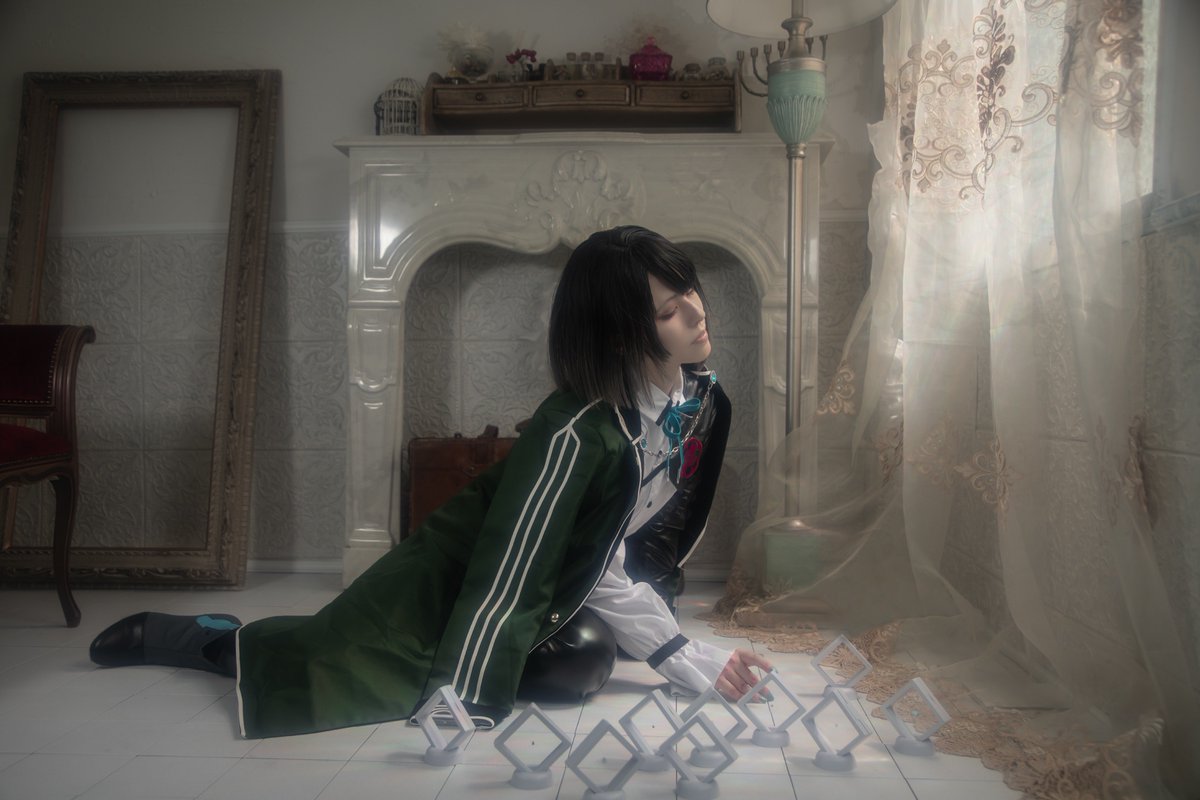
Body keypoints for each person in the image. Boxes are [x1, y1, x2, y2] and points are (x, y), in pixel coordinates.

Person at [90, 225, 773, 738]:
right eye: (668, 310)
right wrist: (676, 652)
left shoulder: (701, 402)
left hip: (559, 584)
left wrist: (675, 637)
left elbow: (634, 537)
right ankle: (211, 640)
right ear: (620, 336)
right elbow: (515, 565)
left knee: (586, 656)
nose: (697, 313)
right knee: (333, 662)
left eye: (689, 291)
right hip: (463, 575)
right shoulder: (574, 430)